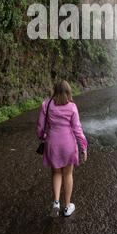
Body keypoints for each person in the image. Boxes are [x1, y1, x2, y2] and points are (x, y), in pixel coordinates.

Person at [37, 80, 88, 217]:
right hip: (68, 144)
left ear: (55, 90)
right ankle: (67, 206)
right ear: (68, 91)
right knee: (68, 174)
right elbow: (77, 129)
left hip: (52, 142)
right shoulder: (72, 107)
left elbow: (40, 127)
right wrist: (83, 146)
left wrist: (42, 137)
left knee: (56, 173)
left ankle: (56, 202)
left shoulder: (46, 104)